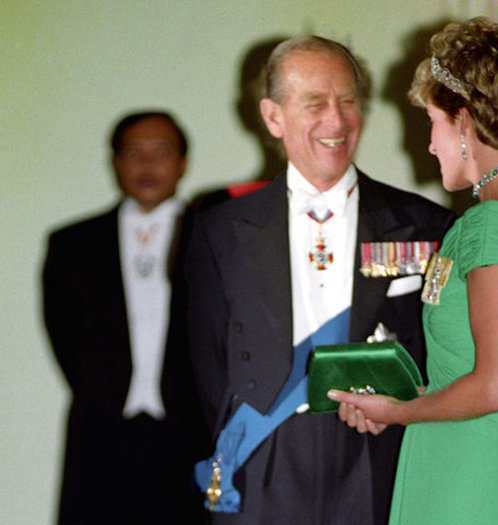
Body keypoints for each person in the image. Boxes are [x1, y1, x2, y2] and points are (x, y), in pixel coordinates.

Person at [184, 36, 455, 524]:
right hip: (265, 456)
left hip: (379, 454)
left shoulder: (424, 225)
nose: (337, 120)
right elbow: (205, 361)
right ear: (273, 117)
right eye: (315, 104)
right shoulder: (222, 230)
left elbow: (442, 348)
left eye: (348, 101)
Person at [329, 18, 498, 524]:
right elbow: (484, 379)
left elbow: (494, 388)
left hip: (471, 476)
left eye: (432, 123)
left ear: (464, 122)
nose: (429, 144)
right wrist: (401, 401)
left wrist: (399, 413)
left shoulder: (494, 224)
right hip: (484, 463)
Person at [42, 111, 207, 524]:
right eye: (134, 152)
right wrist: (104, 390)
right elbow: (63, 336)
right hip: (102, 433)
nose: (147, 164)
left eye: (162, 152)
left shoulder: (214, 237)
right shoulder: (72, 245)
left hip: (191, 433)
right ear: (115, 162)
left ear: (183, 163)